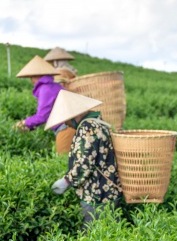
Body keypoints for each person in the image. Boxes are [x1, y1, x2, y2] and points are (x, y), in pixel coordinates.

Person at [46, 90, 123, 228]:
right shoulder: (99, 122)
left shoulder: (86, 128)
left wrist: (66, 181)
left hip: (96, 194)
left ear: (73, 115)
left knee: (92, 238)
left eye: (66, 119)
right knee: (112, 235)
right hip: (111, 191)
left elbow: (84, 163)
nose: (66, 123)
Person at [14, 55, 74, 155]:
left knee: (64, 160)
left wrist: (24, 123)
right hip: (70, 124)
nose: (31, 80)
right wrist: (29, 126)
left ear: (36, 76)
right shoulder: (52, 85)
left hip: (67, 126)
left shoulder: (46, 89)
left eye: (31, 77)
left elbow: (42, 116)